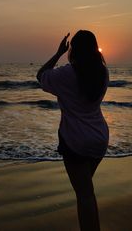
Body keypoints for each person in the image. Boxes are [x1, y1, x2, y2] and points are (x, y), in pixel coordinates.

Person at [37, 30, 109, 231]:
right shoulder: (102, 72)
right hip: (99, 138)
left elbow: (40, 75)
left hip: (76, 140)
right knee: (86, 192)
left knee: (84, 195)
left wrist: (59, 52)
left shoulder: (66, 73)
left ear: (73, 49)